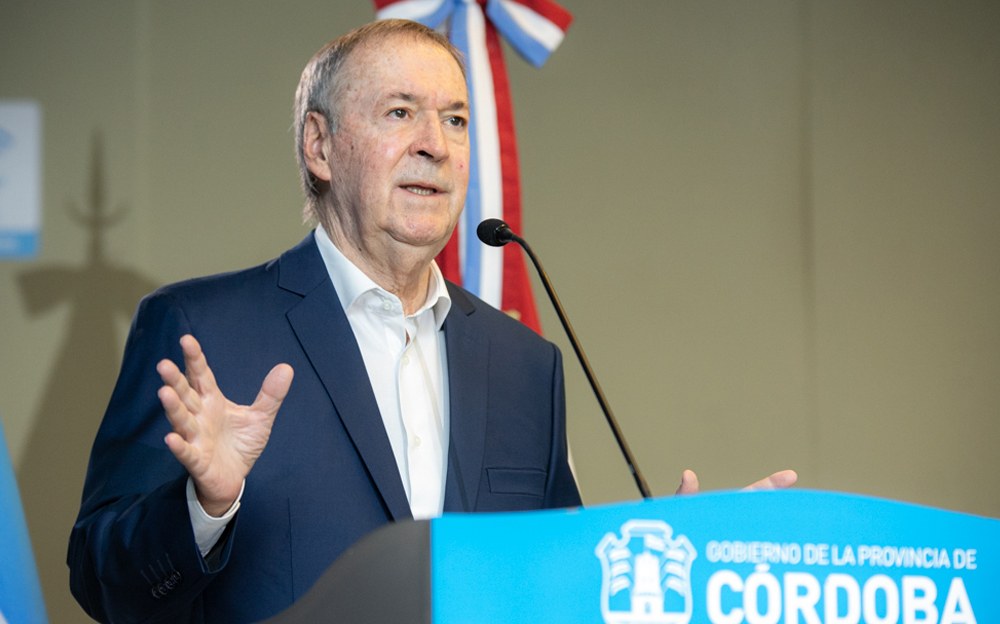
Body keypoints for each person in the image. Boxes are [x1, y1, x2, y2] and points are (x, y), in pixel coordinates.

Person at [68, 19, 794, 624]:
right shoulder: (203, 330)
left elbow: (552, 588)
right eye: (400, 112)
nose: (435, 145)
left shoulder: (524, 365)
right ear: (319, 146)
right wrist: (204, 507)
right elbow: (101, 584)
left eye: (455, 120)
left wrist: (666, 559)